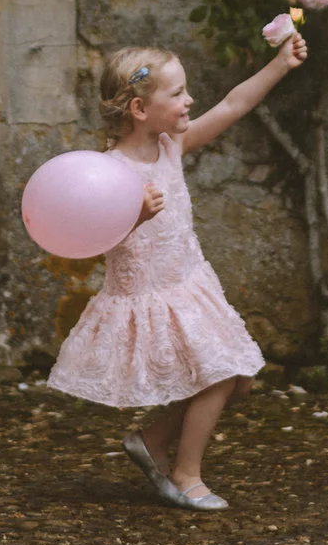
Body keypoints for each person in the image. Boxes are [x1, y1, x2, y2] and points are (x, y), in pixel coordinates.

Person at [48, 31, 308, 510]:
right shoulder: (109, 171)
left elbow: (232, 106)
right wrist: (134, 216)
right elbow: (89, 243)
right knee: (219, 376)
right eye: (177, 93)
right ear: (139, 109)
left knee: (240, 380)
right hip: (150, 296)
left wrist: (279, 64)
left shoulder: (171, 146)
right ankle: (186, 473)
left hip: (188, 284)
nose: (190, 100)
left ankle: (150, 441)